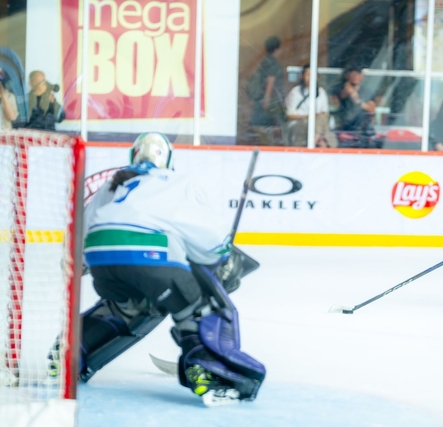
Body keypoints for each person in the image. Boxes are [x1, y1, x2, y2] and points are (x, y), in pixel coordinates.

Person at [50, 132, 266, 405]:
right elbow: (207, 233)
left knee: (128, 308)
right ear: (169, 159)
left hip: (101, 256)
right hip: (149, 253)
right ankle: (207, 373)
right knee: (199, 306)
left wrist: (80, 262)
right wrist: (222, 256)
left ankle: (68, 356)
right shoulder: (178, 181)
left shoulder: (116, 183)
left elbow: (84, 227)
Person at [285, 64, 337, 148]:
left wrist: (316, 116)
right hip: (299, 125)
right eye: (308, 74)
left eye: (313, 74)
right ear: (302, 76)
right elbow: (289, 115)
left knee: (320, 120)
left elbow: (325, 114)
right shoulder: (295, 92)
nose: (311, 77)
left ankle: (314, 141)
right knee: (319, 127)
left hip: (318, 125)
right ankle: (319, 143)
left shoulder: (321, 92)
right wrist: (309, 116)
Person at [249, 36, 287, 145]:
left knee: (260, 125)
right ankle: (271, 146)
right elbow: (270, 82)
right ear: (277, 49)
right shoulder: (273, 63)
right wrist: (266, 100)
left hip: (262, 98)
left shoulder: (264, 61)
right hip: (271, 100)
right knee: (275, 126)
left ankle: (264, 144)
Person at [332, 66, 380, 148]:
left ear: (362, 76)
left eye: (357, 74)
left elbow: (371, 109)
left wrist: (356, 99)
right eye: (352, 75)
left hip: (363, 129)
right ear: (347, 76)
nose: (355, 77)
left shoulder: (367, 91)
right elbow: (336, 102)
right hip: (346, 128)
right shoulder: (341, 89)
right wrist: (349, 90)